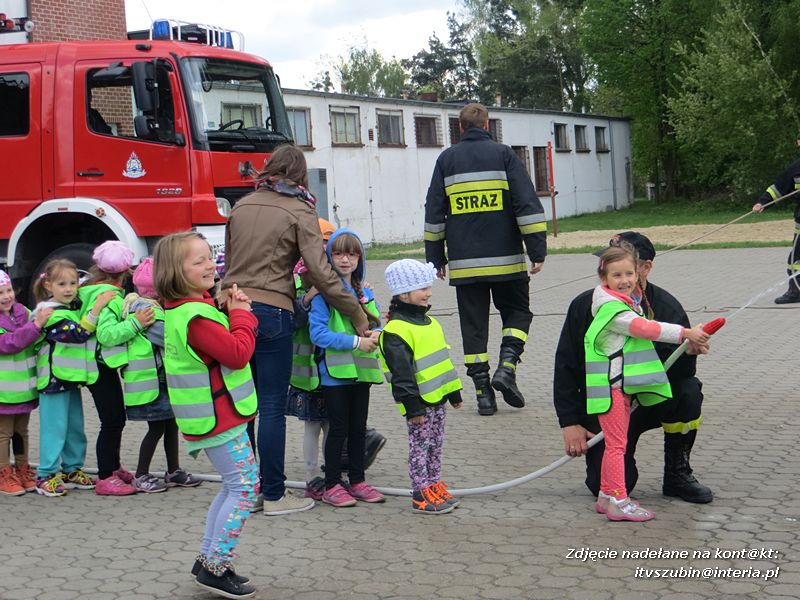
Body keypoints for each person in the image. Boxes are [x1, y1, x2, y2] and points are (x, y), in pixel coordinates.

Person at [221, 144, 377, 516]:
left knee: (244, 406)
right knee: (272, 407)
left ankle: (247, 490)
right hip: (272, 313)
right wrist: (358, 316)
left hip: (233, 310)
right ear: (300, 175)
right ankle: (274, 495)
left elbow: (228, 263)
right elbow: (322, 271)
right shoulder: (300, 209)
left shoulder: (241, 206)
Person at [554, 231, 715, 505]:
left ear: (644, 267)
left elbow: (682, 372)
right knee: (606, 484)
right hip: (609, 404)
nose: (621, 277)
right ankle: (616, 496)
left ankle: (677, 473)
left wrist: (688, 351)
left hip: (650, 401)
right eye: (611, 268)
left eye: (627, 270)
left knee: (688, 392)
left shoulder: (666, 306)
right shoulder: (586, 306)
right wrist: (570, 422)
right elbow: (566, 363)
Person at [424, 103, 547, 416]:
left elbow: (434, 211)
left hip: (466, 266)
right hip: (507, 261)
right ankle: (507, 367)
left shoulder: (446, 160)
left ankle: (482, 393)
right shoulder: (504, 155)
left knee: (473, 326)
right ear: (487, 125)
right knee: (518, 312)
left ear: (461, 127)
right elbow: (526, 203)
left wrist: (435, 257)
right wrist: (537, 250)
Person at [155, 232, 258, 599]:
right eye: (197, 261)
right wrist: (243, 316)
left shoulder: (188, 308)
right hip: (220, 419)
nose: (209, 265)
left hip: (216, 416)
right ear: (175, 271)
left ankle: (210, 560)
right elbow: (237, 353)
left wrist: (229, 310)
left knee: (234, 486)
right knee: (245, 489)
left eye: (209, 257)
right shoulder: (194, 316)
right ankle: (215, 566)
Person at [288, 219, 386, 501]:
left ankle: (357, 480)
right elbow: (318, 334)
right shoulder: (322, 293)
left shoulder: (364, 291)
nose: (345, 259)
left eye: (352, 254)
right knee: (337, 428)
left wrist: (378, 334)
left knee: (357, 428)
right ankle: (331, 484)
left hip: (362, 373)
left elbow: (376, 321)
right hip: (333, 373)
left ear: (360, 258)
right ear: (328, 258)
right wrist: (358, 341)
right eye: (338, 254)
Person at [380, 259, 463, 514]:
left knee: (435, 444)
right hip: (419, 405)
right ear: (403, 293)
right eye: (421, 288)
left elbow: (442, 362)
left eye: (428, 287)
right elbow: (402, 375)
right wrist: (412, 408)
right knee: (419, 448)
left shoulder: (431, 324)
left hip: (437, 400)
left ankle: (433, 483)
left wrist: (453, 393)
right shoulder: (396, 331)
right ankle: (420, 492)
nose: (428, 292)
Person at [32, 259, 114, 497]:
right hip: (52, 383)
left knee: (74, 428)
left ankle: (71, 470)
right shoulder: (50, 315)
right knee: (54, 429)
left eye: (73, 283)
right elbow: (78, 334)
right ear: (48, 286)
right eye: (61, 284)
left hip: (69, 380)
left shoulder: (69, 308)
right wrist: (96, 309)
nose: (68, 289)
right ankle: (46, 475)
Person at [121, 258, 200, 493]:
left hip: (162, 380)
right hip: (152, 383)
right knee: (156, 428)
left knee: (171, 425)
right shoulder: (146, 310)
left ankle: (173, 470)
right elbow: (166, 337)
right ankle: (141, 474)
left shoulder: (153, 306)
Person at [80, 240, 143, 496]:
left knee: (114, 418)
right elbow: (106, 334)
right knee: (112, 420)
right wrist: (136, 324)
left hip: (94, 365)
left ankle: (114, 466)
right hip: (99, 367)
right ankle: (105, 476)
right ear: (127, 271)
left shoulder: (90, 290)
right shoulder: (110, 296)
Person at [0, 269, 50, 495]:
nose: (6, 296)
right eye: (0, 293)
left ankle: (22, 469)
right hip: (3, 392)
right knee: (3, 434)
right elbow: (10, 343)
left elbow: (36, 336)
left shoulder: (23, 312)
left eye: (8, 290)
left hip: (25, 390)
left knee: (22, 432)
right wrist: (36, 326)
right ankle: (3, 473)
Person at [752, 149, 800, 303]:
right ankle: (796, 290)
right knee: (796, 260)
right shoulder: (795, 168)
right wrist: (763, 203)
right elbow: (778, 188)